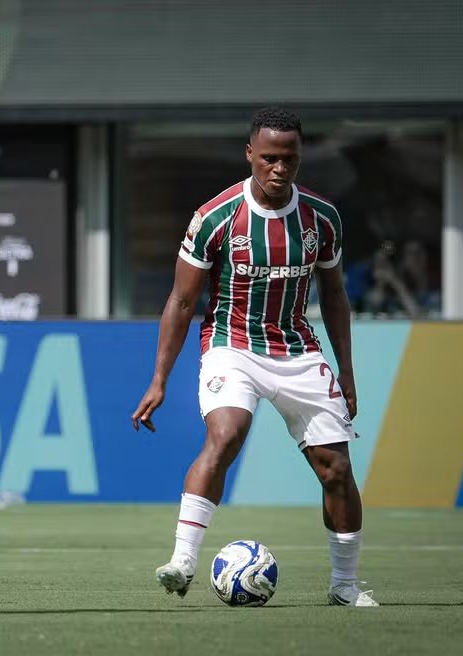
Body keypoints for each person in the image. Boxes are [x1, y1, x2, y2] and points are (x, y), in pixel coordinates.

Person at [131, 107, 378, 607]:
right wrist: (159, 379)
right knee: (226, 435)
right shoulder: (215, 217)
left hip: (297, 349)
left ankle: (345, 586)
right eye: (269, 158)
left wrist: (346, 372)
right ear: (250, 154)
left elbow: (334, 296)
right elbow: (181, 302)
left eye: (289, 158)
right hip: (232, 345)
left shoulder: (322, 217)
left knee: (335, 469)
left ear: (300, 156)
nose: (279, 168)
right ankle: (182, 561)